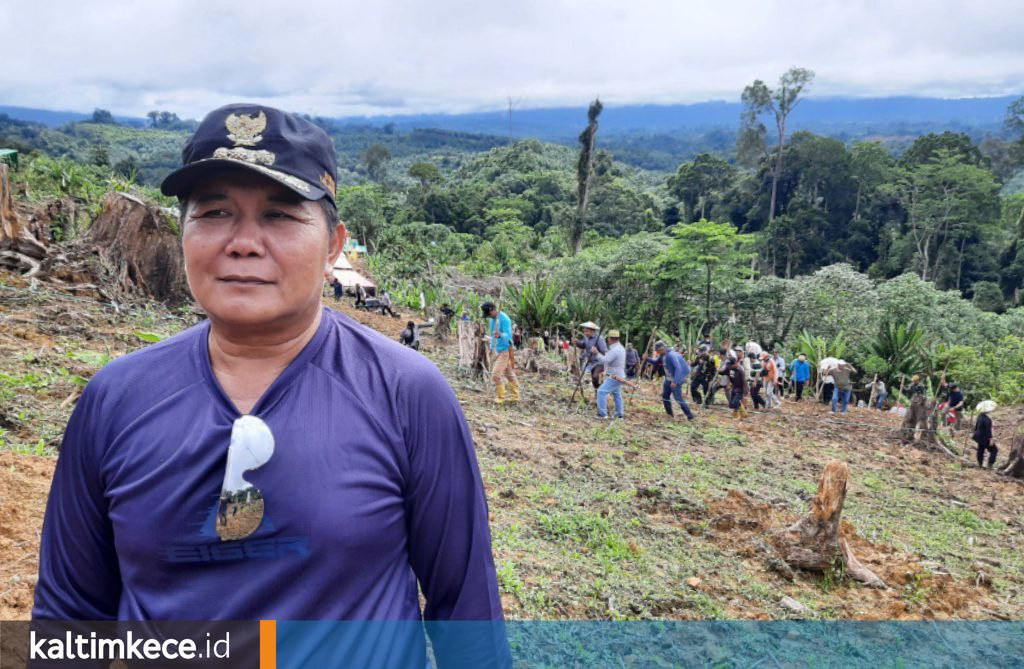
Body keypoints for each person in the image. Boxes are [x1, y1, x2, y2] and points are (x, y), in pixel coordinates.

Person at [33, 104, 506, 663]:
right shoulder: (115, 401)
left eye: (280, 215)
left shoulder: (406, 394)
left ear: (334, 244)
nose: (244, 242)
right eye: (214, 212)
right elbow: (69, 618)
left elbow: (467, 613)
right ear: (182, 232)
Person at [483, 301, 519, 405]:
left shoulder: (504, 319)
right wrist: (491, 348)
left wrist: (501, 335)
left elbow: (508, 336)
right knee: (509, 374)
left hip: (505, 350)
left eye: (489, 314)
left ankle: (501, 398)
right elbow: (493, 335)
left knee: (495, 375)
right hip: (496, 350)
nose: (488, 317)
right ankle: (515, 397)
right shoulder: (492, 320)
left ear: (493, 310)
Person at [595, 330, 631, 419]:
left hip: (615, 376)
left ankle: (603, 414)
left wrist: (596, 353)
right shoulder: (620, 348)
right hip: (619, 375)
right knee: (616, 394)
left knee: (601, 391)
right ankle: (619, 414)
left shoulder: (615, 350)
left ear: (610, 339)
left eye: (608, 338)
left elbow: (605, 360)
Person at [656, 341, 694, 420]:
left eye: (658, 351)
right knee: (665, 397)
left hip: (676, 379)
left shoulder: (671, 355)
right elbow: (656, 362)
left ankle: (690, 416)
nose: (657, 352)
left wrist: (675, 381)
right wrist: (647, 359)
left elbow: (678, 368)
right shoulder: (662, 356)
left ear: (663, 349)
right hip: (668, 379)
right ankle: (669, 415)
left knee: (678, 398)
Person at [575, 322, 607, 394]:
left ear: (592, 331)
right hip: (591, 362)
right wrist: (577, 342)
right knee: (593, 379)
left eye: (587, 331)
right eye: (584, 331)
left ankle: (601, 391)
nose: (585, 333)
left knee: (596, 377)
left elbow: (605, 351)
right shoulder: (586, 338)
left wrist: (596, 351)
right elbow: (583, 345)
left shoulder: (599, 339)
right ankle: (597, 393)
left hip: (599, 362)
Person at [972, 401, 998, 468]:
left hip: (978, 436)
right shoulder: (987, 419)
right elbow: (988, 431)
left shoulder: (979, 416)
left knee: (980, 450)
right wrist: (991, 439)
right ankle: (990, 465)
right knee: (994, 450)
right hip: (985, 437)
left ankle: (980, 464)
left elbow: (976, 426)